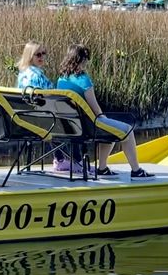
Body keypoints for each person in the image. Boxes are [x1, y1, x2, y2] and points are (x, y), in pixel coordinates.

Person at [56, 44, 154, 179]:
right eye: (86, 58)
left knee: (111, 131)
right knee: (127, 130)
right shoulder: (83, 79)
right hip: (89, 127)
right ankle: (136, 171)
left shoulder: (61, 79)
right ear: (82, 59)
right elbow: (94, 106)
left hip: (70, 127)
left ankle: (103, 168)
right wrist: (103, 117)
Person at [16, 42, 77, 173]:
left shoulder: (22, 74)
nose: (42, 57)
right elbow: (48, 98)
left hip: (26, 117)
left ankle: (60, 159)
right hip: (42, 118)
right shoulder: (36, 75)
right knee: (75, 120)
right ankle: (76, 161)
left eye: (44, 53)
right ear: (29, 56)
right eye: (38, 54)